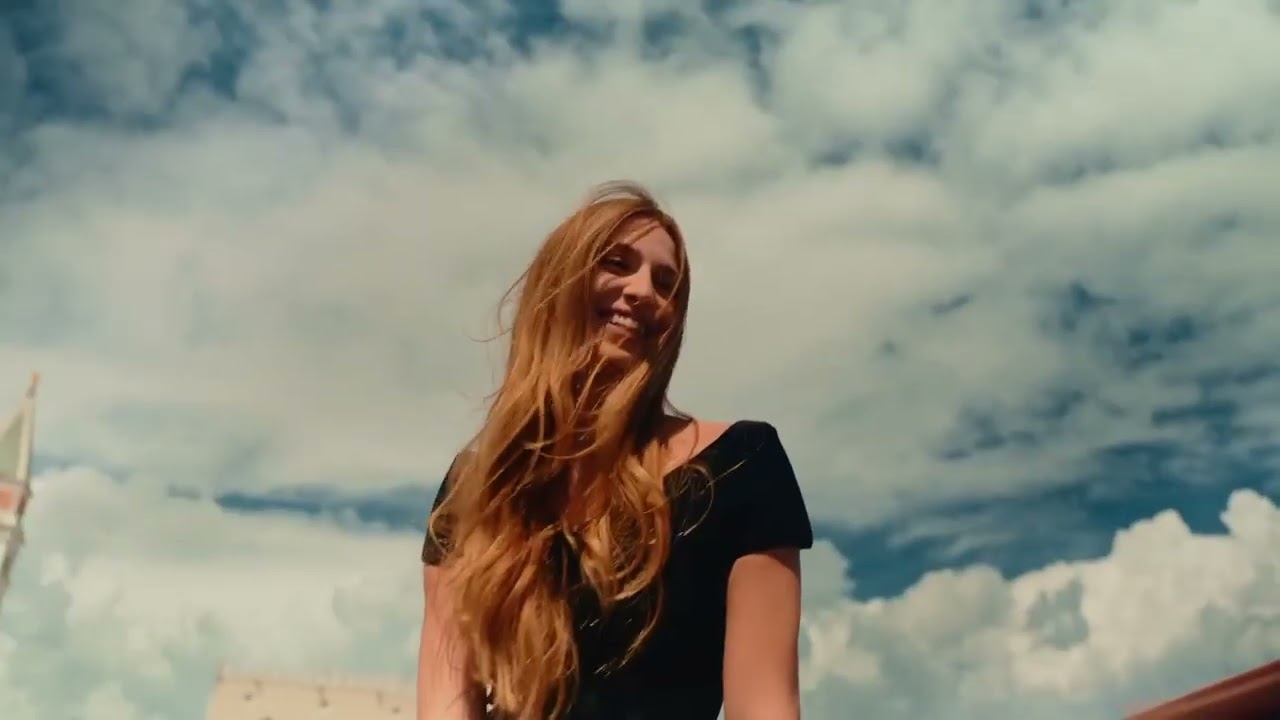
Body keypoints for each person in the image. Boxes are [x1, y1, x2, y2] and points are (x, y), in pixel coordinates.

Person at [417, 181, 813, 720]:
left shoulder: (740, 464)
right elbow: (445, 701)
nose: (643, 291)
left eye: (666, 283)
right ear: (559, 283)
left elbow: (765, 706)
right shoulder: (475, 487)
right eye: (617, 263)